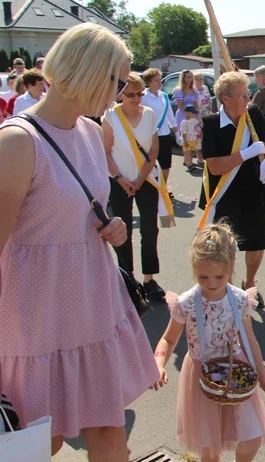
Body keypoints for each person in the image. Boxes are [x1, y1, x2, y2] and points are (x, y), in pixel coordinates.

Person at [0, 23, 159, 459]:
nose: (124, 90)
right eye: (119, 80)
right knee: (35, 444)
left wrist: (117, 230)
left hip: (91, 305)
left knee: (110, 436)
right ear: (91, 73)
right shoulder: (16, 142)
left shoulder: (91, 132)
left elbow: (84, 211)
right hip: (34, 317)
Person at [152, 222, 265, 462]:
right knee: (210, 448)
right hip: (201, 376)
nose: (211, 282)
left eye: (219, 276)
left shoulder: (240, 300)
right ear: (193, 269)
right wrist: (158, 365)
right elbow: (168, 339)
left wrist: (264, 379)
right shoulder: (186, 303)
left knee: (252, 438)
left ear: (232, 267)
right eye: (203, 276)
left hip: (236, 371)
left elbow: (250, 341)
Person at [200, 72, 265, 311]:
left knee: (256, 242)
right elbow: (213, 165)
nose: (248, 99)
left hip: (253, 187)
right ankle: (228, 289)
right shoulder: (211, 123)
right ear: (225, 99)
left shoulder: (252, 114)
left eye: (248, 94)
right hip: (225, 192)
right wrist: (245, 154)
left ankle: (249, 284)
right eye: (242, 95)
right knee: (225, 245)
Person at [102, 72, 174, 301]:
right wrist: (120, 179)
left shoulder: (149, 114)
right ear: (120, 94)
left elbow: (154, 151)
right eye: (131, 94)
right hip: (119, 181)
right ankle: (127, 279)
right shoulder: (110, 117)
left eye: (139, 93)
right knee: (123, 230)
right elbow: (105, 151)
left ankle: (149, 279)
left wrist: (140, 179)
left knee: (150, 229)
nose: (136, 98)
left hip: (147, 179)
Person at [141, 67, 181, 190]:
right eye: (156, 80)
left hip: (164, 134)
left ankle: (162, 188)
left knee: (165, 164)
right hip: (150, 136)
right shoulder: (143, 97)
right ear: (149, 82)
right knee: (152, 163)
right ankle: (152, 187)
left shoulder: (164, 96)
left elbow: (170, 116)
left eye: (160, 80)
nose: (160, 82)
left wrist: (177, 133)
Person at [194, 72, 213, 164]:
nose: (200, 81)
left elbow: (209, 98)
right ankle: (199, 156)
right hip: (198, 114)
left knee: (208, 134)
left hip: (207, 112)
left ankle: (208, 154)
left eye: (201, 79)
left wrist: (210, 106)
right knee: (198, 136)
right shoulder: (193, 90)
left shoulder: (205, 87)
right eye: (197, 79)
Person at [180, 105, 201, 171]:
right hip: (187, 140)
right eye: (192, 113)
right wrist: (185, 141)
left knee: (190, 152)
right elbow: (183, 133)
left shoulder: (193, 120)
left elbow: (198, 123)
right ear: (187, 112)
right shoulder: (184, 122)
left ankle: (188, 162)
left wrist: (198, 116)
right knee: (188, 153)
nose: (193, 114)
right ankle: (189, 165)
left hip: (193, 139)